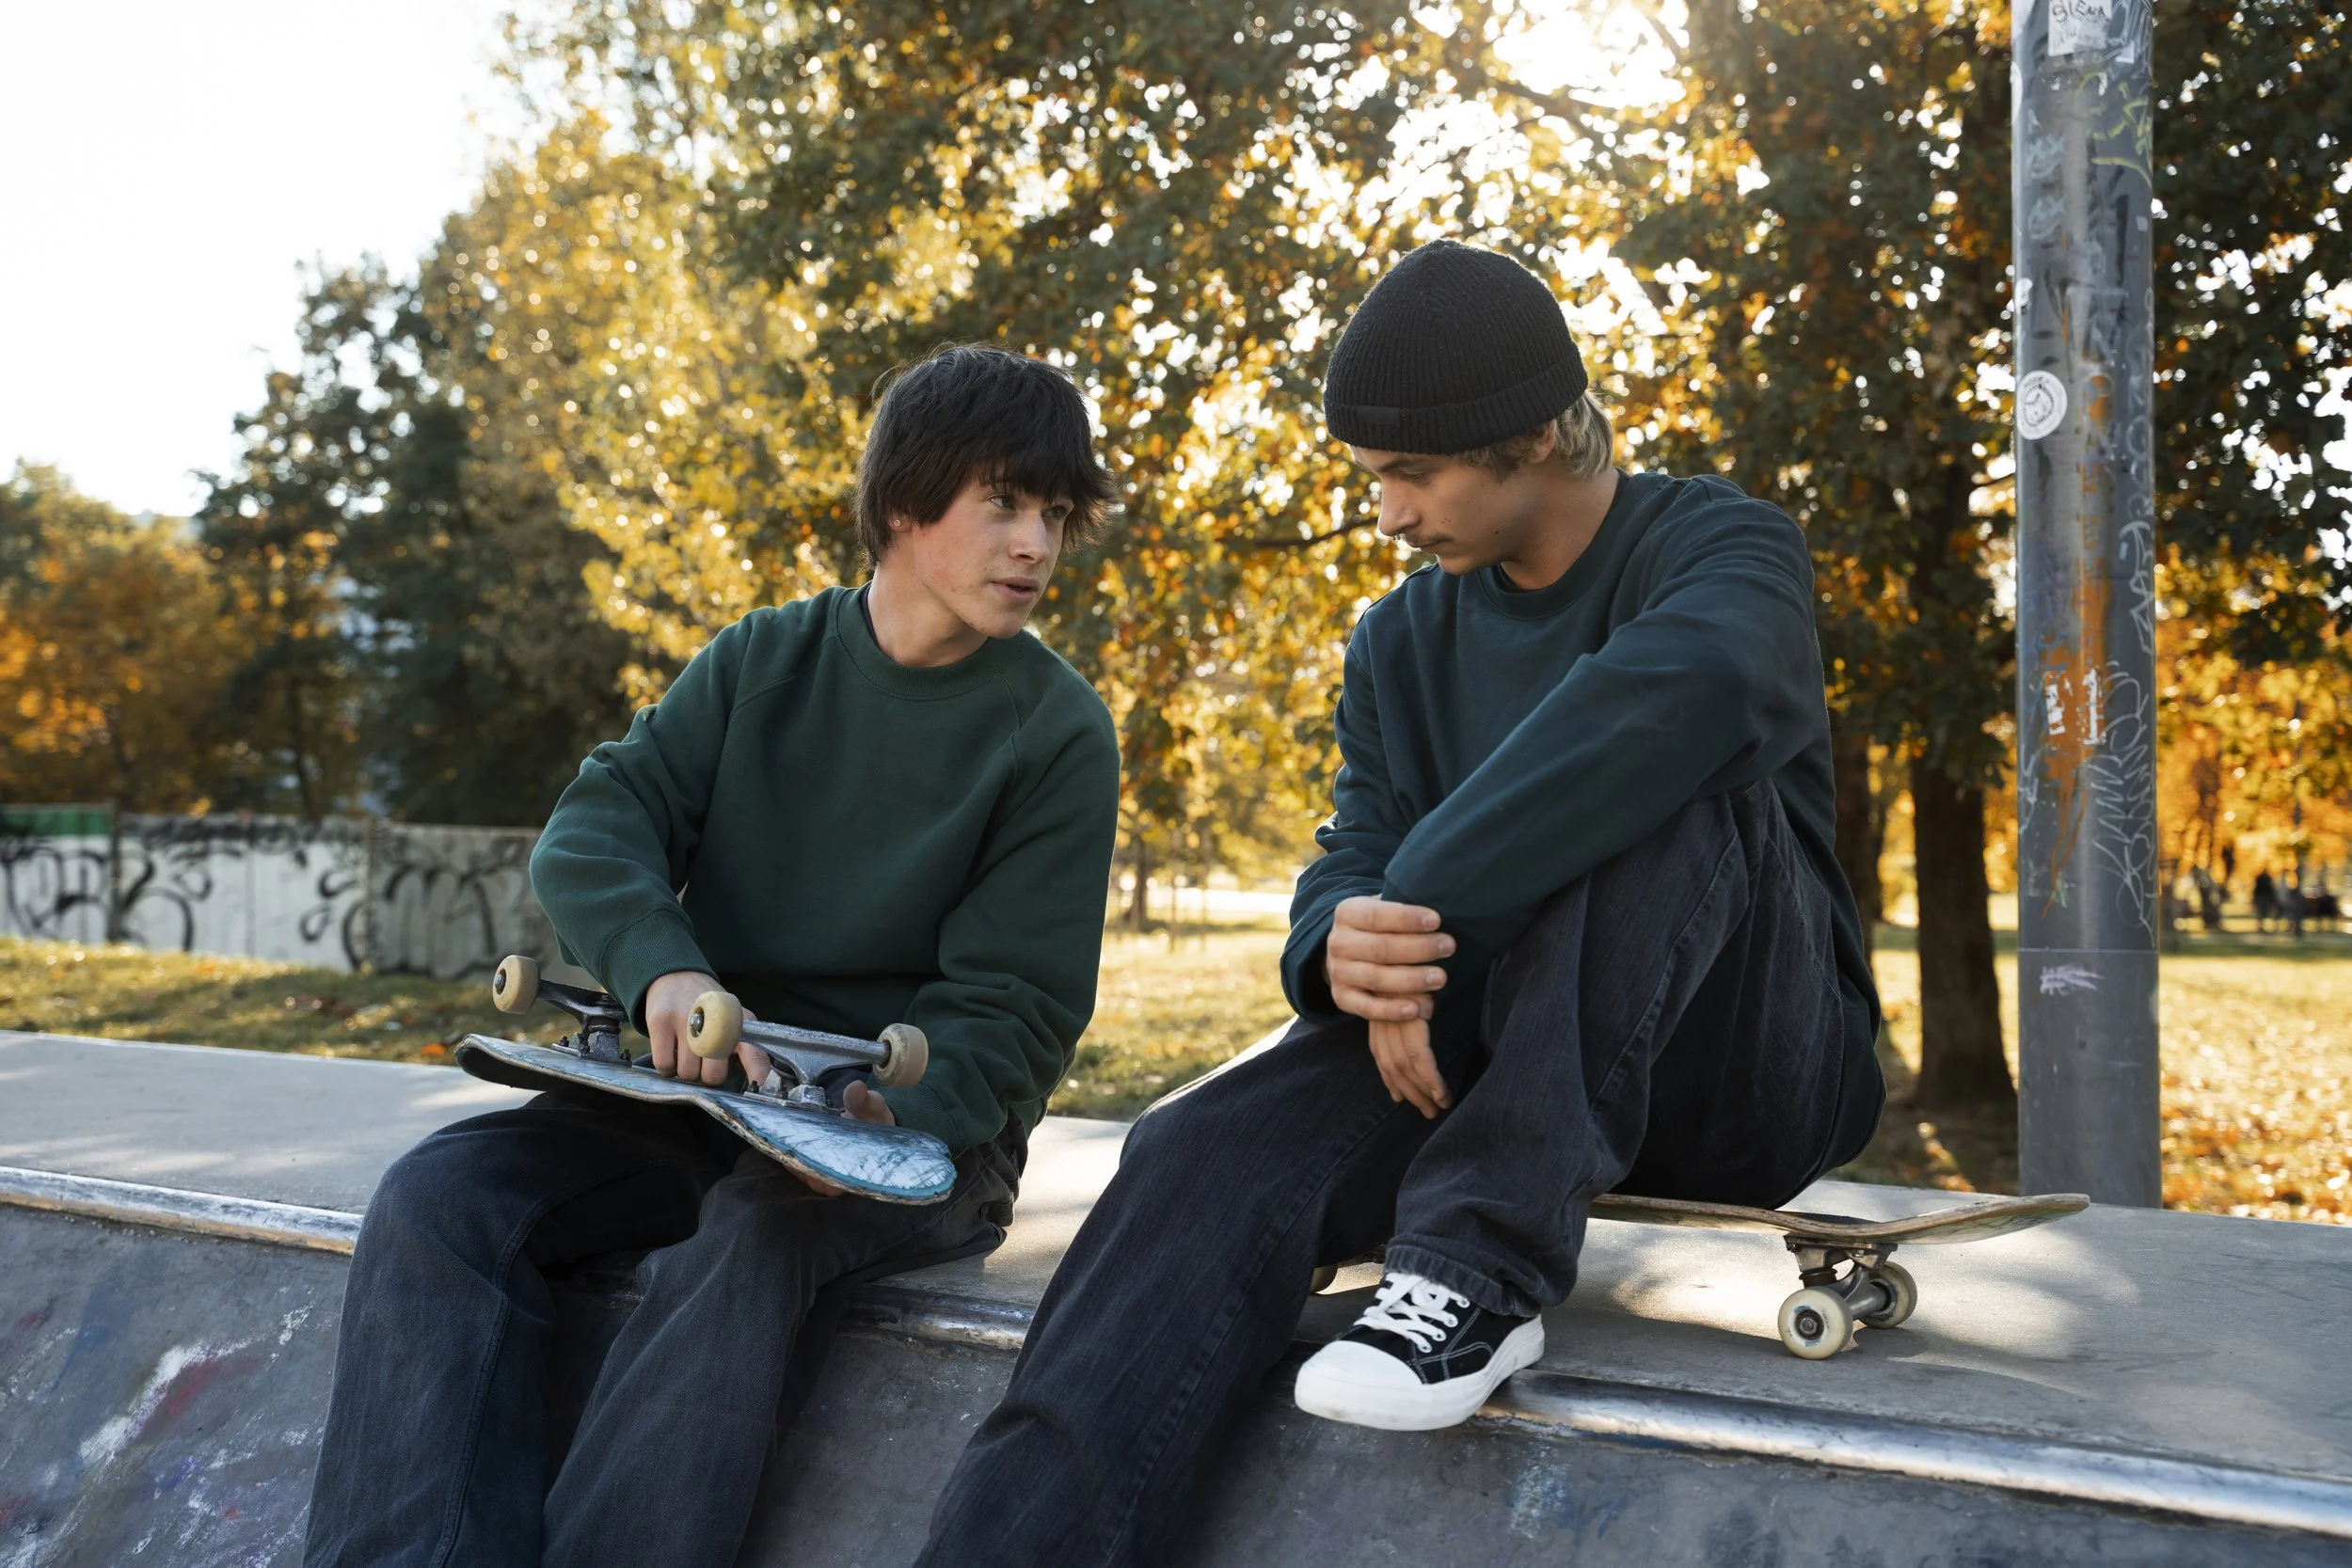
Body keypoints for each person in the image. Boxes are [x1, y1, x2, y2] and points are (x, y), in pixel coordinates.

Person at [913, 240, 1885, 1565]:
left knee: (1673, 765)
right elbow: (1353, 847)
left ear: (1537, 434)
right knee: (1192, 1151)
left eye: (1412, 474)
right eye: (1373, 476)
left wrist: (1424, 896)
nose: (1388, 513)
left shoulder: (1720, 545)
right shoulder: (1397, 639)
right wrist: (1343, 945)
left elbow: (1694, 697)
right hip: (1483, 1064)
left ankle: (1477, 1278)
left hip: (1748, 1067)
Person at [302, 345, 1122, 1568]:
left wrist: (875, 1110)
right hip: (700, 1093)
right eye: (1005, 501)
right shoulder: (763, 662)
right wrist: (666, 969)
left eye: (1055, 514)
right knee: (439, 1197)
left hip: (912, 1133)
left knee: (752, 1234)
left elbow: (1015, 1005)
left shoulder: (1058, 732)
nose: (1036, 545)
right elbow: (596, 825)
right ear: (907, 503)